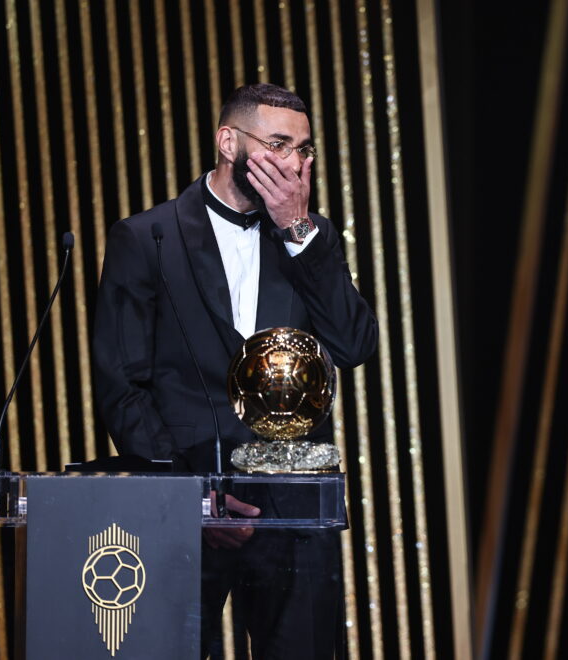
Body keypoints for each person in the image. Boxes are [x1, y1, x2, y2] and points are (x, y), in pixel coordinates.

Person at [94, 83, 377, 659]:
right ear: (228, 142)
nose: (293, 164)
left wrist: (299, 232)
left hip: (294, 507)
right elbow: (123, 387)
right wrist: (188, 497)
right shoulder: (146, 238)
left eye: (303, 150)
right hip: (188, 502)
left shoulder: (310, 237)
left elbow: (353, 344)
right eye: (277, 144)